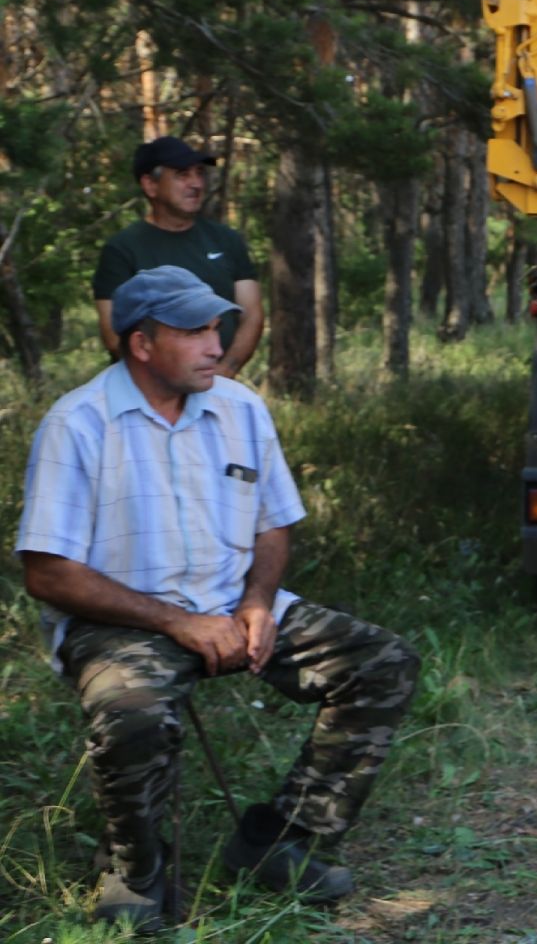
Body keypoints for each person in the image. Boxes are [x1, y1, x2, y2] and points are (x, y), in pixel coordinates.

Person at [15, 266, 419, 933]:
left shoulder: (240, 407)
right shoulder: (78, 423)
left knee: (382, 661)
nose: (217, 342)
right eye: (196, 330)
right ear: (141, 345)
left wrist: (258, 603)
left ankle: (283, 843)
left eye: (217, 325)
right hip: (125, 621)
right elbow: (50, 573)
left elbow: (272, 522)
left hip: (234, 606)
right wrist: (178, 622)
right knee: (134, 710)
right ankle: (135, 869)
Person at [93, 135, 263, 379]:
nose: (196, 184)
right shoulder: (122, 249)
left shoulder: (226, 240)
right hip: (148, 395)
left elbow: (252, 314)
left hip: (217, 386)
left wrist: (225, 373)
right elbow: (113, 335)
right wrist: (170, 385)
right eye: (183, 174)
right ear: (150, 185)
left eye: (199, 173)